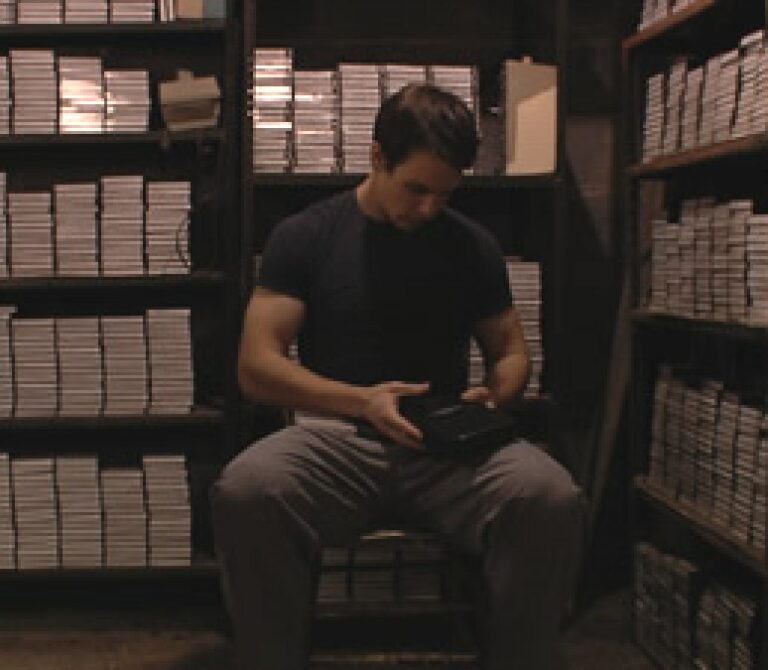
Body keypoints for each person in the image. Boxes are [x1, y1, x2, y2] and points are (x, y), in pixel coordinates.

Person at [211, 83, 585, 670]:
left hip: (447, 449)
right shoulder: (306, 236)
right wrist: (363, 403)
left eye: (445, 193)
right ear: (377, 156)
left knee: (549, 495)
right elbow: (256, 368)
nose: (429, 208)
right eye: (415, 189)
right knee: (247, 489)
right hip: (336, 440)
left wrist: (495, 395)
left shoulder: (471, 244)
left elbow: (511, 351)